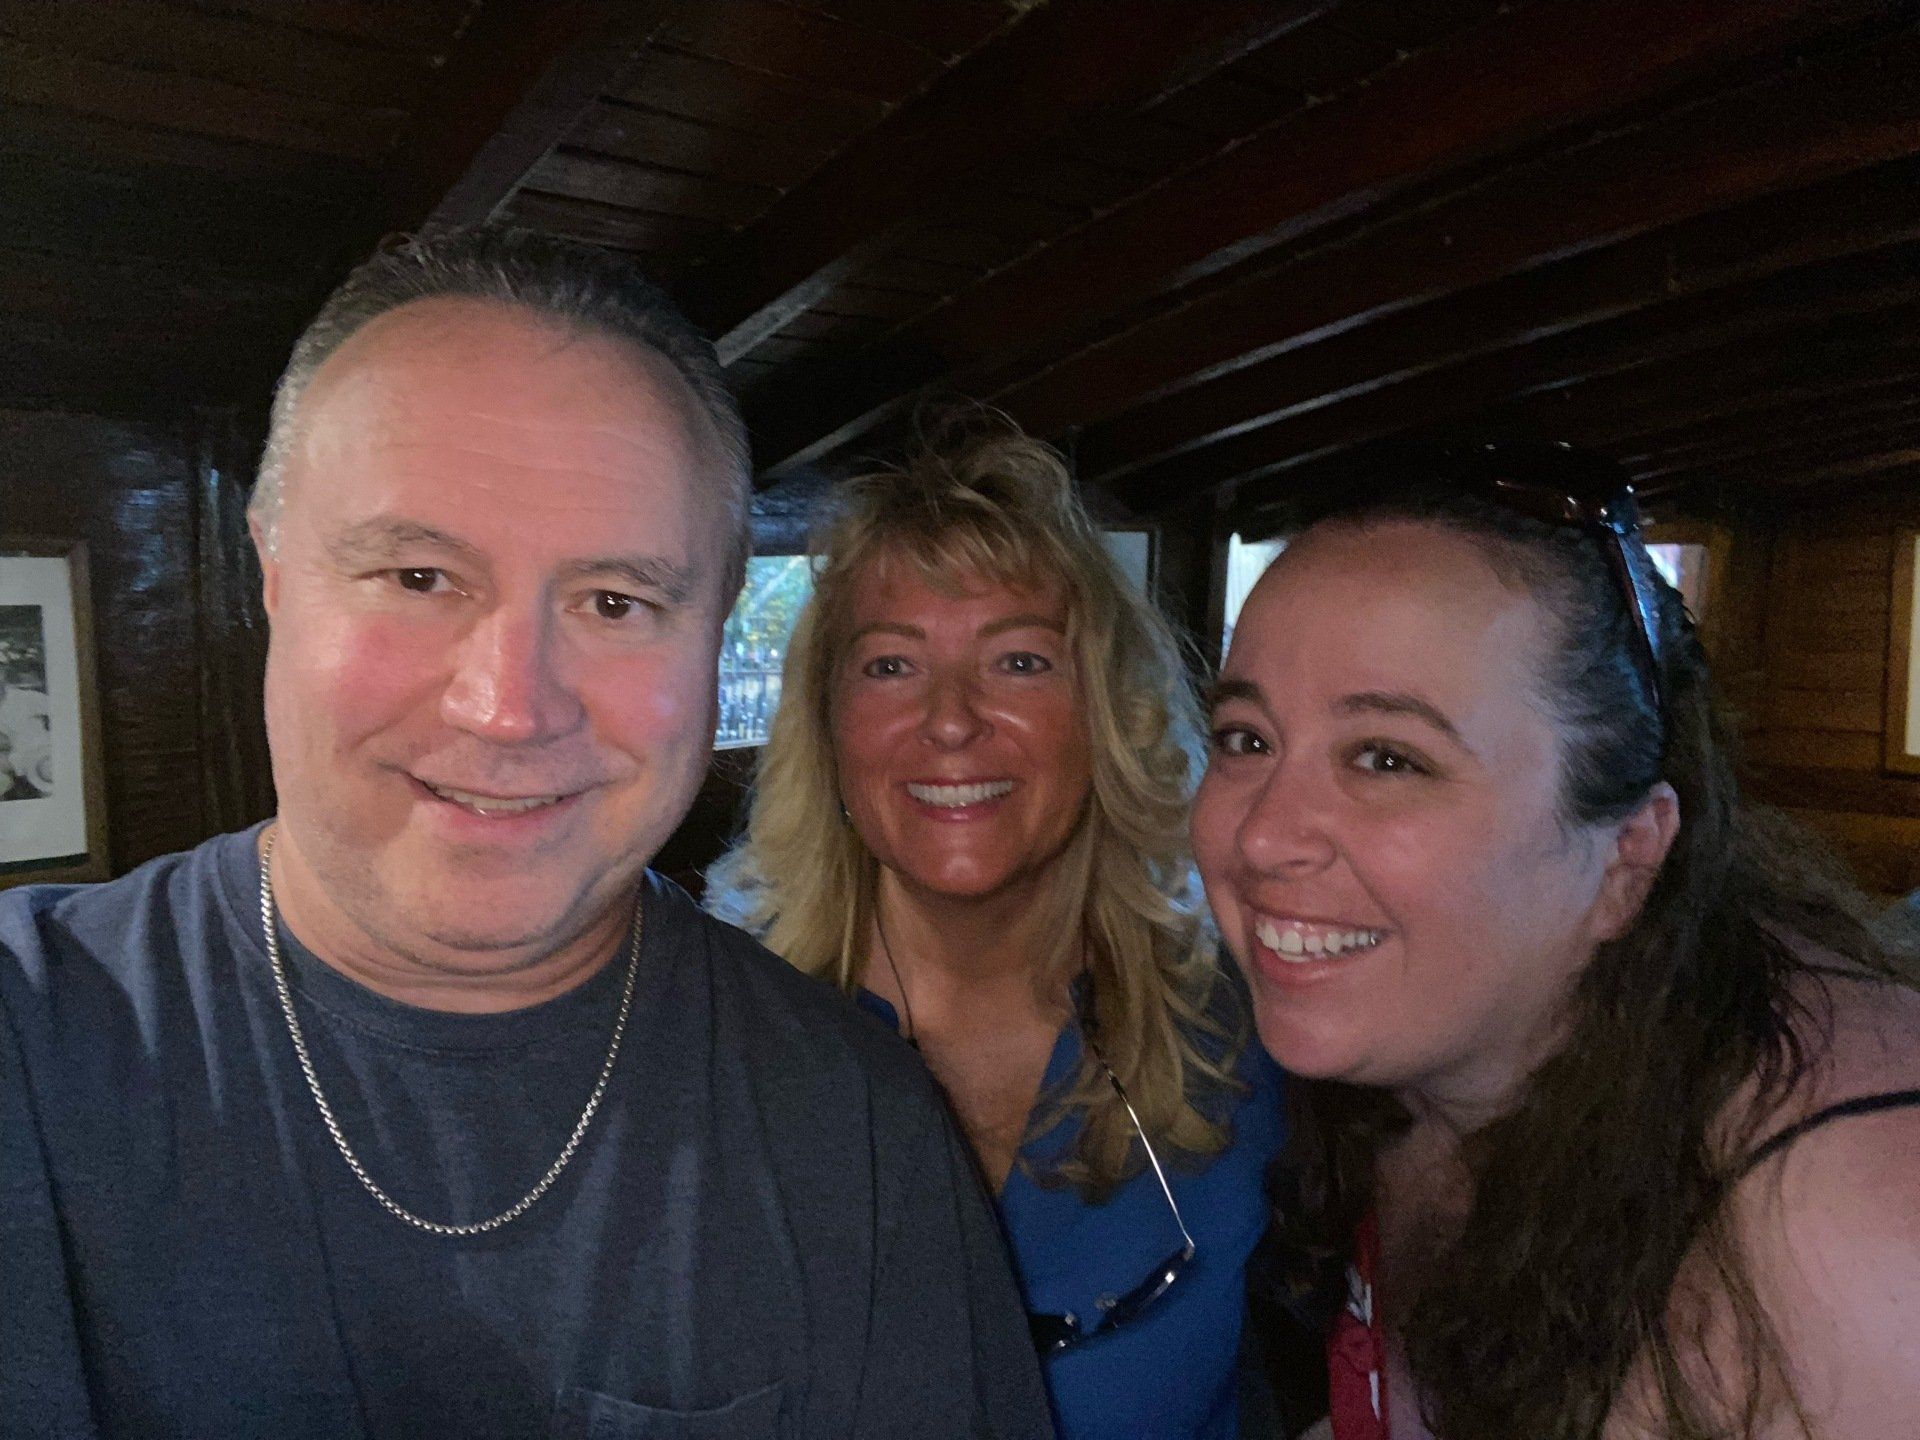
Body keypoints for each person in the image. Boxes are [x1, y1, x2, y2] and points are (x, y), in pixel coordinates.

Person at [0, 229, 1051, 1440]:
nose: (507, 707)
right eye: (415, 576)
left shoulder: (853, 1117)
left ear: (715, 635)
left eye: (615, 603)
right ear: (273, 577)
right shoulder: (34, 1045)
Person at [1192, 442, 1920, 1440]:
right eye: (1245, 739)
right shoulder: (1414, 1067)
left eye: (1387, 757)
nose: (1263, 834)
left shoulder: (1858, 1229)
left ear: (1627, 854)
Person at [706, 416, 1285, 1440]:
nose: (953, 719)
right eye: (891, 666)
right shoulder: (718, 1040)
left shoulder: (1248, 1024)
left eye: (1019, 661)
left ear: (1103, 715)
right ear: (828, 726)